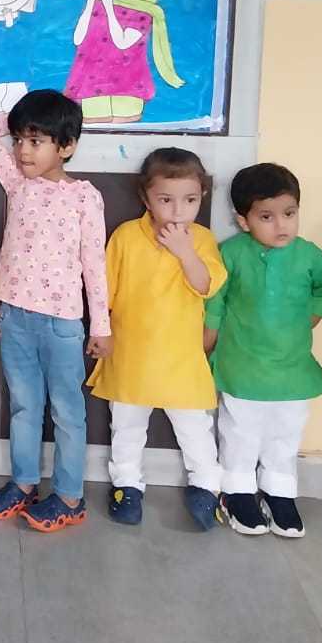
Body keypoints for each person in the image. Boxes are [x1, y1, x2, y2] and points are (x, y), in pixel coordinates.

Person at [0, 90, 110, 531]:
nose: (22, 150)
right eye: (19, 140)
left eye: (36, 141)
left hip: (62, 322)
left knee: (67, 412)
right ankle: (24, 483)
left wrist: (101, 326)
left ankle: (69, 496)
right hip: (13, 315)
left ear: (66, 146)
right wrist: (21, 115)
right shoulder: (17, 182)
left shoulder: (85, 197)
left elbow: (94, 264)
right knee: (24, 406)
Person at [89, 147, 227, 529]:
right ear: (146, 198)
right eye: (166, 200)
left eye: (190, 200)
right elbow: (104, 290)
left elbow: (205, 284)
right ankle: (127, 485)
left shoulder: (201, 239)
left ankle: (206, 486)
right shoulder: (126, 236)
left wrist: (184, 251)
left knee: (195, 428)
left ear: (201, 197)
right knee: (126, 426)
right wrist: (100, 331)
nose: (178, 210)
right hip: (131, 353)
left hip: (180, 358)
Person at [205, 163, 322, 537]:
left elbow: (321, 298)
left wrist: (294, 332)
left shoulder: (310, 256)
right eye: (266, 216)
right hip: (242, 363)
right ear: (243, 221)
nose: (281, 225)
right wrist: (206, 345)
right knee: (240, 430)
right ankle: (237, 491)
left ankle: (280, 493)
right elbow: (215, 304)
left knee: (286, 430)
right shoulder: (231, 254)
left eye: (289, 214)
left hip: (292, 367)